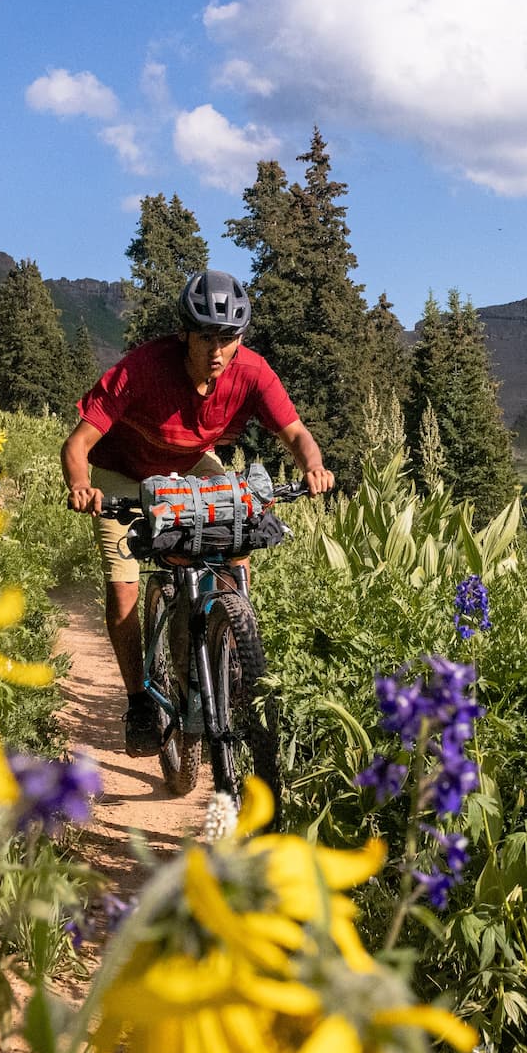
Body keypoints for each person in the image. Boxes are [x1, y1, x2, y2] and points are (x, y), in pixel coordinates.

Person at [62, 269, 335, 752]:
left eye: (227, 337)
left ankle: (229, 635)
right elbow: (79, 442)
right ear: (184, 333)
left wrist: (314, 467)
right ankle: (139, 703)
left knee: (239, 528)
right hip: (122, 473)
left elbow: (295, 434)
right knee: (124, 582)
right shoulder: (142, 369)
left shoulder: (252, 370)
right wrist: (82, 486)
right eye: (205, 336)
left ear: (240, 337)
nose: (216, 349)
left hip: (189, 466)